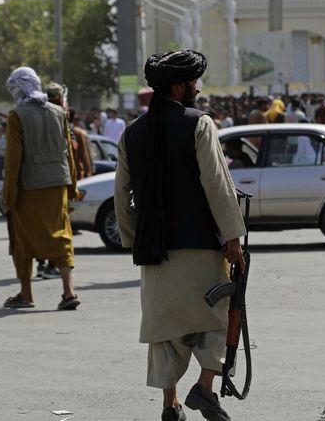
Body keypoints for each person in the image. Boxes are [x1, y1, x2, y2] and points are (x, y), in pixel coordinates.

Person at [114, 50, 246, 421]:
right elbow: (217, 186)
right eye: (193, 83)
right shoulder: (199, 124)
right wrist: (233, 238)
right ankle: (204, 389)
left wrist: (133, 240)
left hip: (155, 251)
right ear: (178, 86)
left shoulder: (132, 133)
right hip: (201, 247)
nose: (197, 89)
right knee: (215, 320)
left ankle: (169, 406)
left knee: (165, 331)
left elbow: (121, 195)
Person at [1, 68, 80, 310]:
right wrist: (72, 186)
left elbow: (13, 160)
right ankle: (68, 292)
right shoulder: (58, 112)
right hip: (57, 183)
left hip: (29, 187)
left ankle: (26, 294)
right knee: (61, 235)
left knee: (22, 239)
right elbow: (68, 152)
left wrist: (8, 195)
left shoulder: (17, 116)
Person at [69, 110, 93, 180]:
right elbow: (84, 155)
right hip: (75, 174)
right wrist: (88, 174)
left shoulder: (77, 133)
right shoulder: (78, 132)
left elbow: (84, 154)